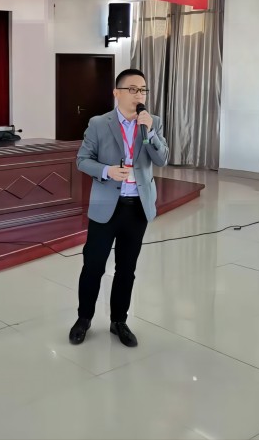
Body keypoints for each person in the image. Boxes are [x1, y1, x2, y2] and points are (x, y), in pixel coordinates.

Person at [69, 68, 169, 347]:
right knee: (93, 266)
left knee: (127, 268)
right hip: (105, 206)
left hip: (137, 207)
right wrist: (107, 171)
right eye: (133, 89)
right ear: (117, 93)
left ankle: (119, 321)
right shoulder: (99, 123)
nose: (139, 95)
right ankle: (84, 318)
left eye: (143, 90)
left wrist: (151, 133)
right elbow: (82, 160)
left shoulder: (153, 122)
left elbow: (162, 160)